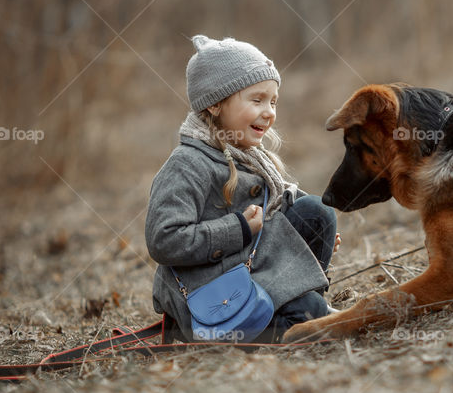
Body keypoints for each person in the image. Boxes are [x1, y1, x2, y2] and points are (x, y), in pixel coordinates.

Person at [145, 35, 340, 343]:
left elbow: (274, 214)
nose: (269, 112)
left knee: (316, 212)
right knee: (307, 315)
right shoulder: (187, 165)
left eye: (273, 101)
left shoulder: (250, 156)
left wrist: (311, 236)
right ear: (215, 103)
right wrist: (236, 229)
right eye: (257, 100)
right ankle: (297, 312)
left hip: (255, 272)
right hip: (210, 297)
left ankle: (302, 299)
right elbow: (163, 240)